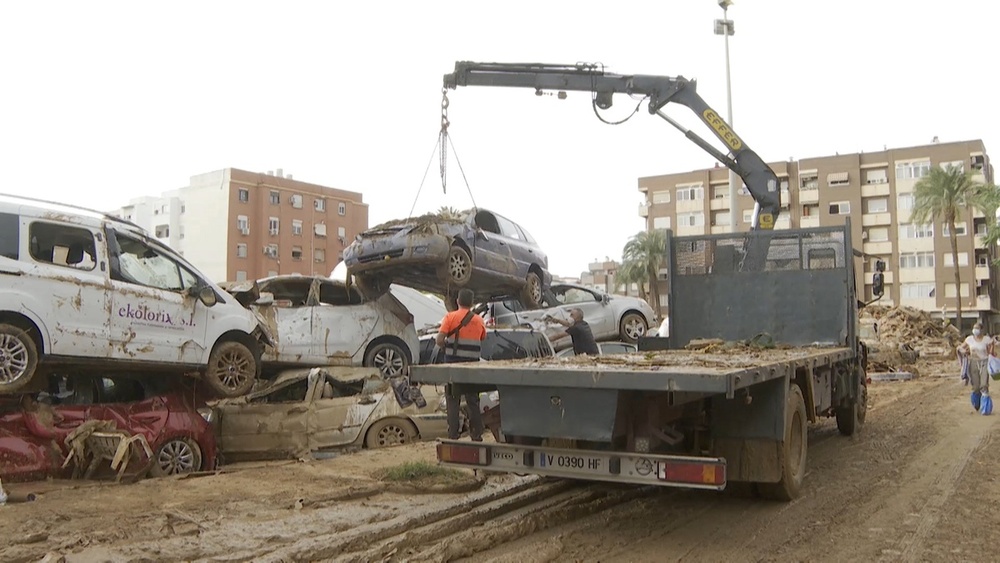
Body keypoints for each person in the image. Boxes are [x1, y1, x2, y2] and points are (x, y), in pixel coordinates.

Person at [436, 289, 486, 441]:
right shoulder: (479, 320)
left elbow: (439, 339)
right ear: (471, 303)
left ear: (457, 301)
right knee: (473, 401)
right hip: (472, 367)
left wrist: (445, 346)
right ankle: (476, 435)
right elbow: (483, 337)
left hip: (453, 366)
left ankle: (453, 435)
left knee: (453, 400)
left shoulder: (450, 317)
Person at [958, 321, 993, 407]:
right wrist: (964, 351)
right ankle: (977, 403)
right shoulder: (969, 339)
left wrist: (992, 347)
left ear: (981, 330)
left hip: (984, 362)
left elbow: (990, 352)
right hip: (973, 362)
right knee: (976, 385)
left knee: (984, 384)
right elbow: (960, 348)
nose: (975, 330)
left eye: (977, 328)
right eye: (974, 328)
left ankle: (985, 406)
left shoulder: (986, 339)